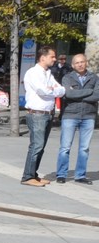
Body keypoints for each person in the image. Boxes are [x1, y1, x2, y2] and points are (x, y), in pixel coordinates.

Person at [21, 45, 65, 187]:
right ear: (42, 57)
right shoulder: (33, 73)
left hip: (47, 114)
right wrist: (52, 90)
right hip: (37, 114)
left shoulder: (48, 73)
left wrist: (53, 89)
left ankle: (33, 174)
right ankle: (27, 176)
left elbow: (61, 90)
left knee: (41, 146)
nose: (55, 59)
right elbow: (42, 91)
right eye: (52, 56)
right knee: (36, 146)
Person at [55, 53, 98, 184]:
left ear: (86, 63)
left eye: (82, 62)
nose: (80, 64)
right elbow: (68, 94)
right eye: (77, 63)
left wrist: (77, 94)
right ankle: (61, 174)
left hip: (88, 116)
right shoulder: (67, 77)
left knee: (84, 148)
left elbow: (97, 95)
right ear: (73, 65)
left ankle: (80, 175)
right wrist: (89, 91)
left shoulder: (94, 78)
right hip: (70, 114)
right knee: (65, 147)